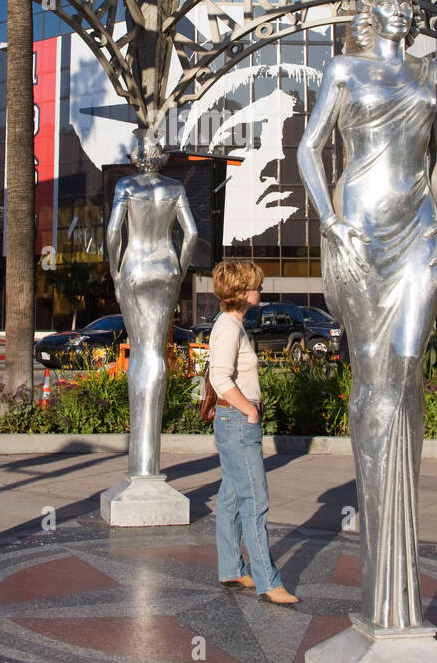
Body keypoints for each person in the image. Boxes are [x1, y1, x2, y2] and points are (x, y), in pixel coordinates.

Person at [297, 0, 437, 631]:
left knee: (407, 368)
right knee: (375, 377)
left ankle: (398, 533)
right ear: (369, 3)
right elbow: (309, 148)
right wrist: (328, 218)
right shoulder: (343, 69)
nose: (405, 5)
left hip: (419, 227)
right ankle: (380, 559)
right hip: (360, 229)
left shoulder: (428, 75)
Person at [107, 129, 197, 478]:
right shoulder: (176, 188)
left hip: (134, 267)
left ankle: (142, 466)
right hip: (166, 267)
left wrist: (115, 271)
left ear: (137, 155)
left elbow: (114, 233)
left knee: (140, 354)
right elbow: (190, 234)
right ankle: (148, 464)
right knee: (155, 354)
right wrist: (179, 269)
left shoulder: (126, 187)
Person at [208, 257, 298, 604]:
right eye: (256, 285)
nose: (260, 289)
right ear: (242, 292)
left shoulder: (231, 324)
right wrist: (249, 410)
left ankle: (231, 568)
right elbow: (220, 378)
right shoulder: (229, 327)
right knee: (255, 500)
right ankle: (268, 581)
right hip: (237, 422)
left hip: (234, 422)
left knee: (231, 496)